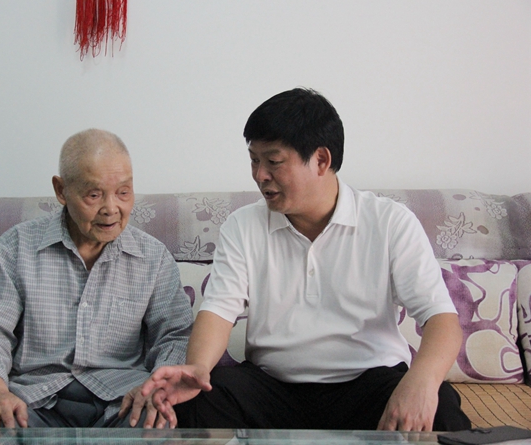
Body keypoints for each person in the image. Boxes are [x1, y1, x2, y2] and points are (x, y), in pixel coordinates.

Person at [140, 88, 471, 432]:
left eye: (273, 161)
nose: (260, 174)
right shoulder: (243, 225)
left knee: (440, 405)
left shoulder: (390, 222)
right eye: (254, 160)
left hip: (369, 385)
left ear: (321, 160)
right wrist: (197, 368)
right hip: (272, 389)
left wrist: (422, 382)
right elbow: (218, 313)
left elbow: (441, 319)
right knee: (195, 403)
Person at [0, 129, 193, 429]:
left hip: (122, 400)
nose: (111, 209)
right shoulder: (17, 246)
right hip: (33, 401)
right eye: (94, 195)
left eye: (123, 192)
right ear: (61, 190)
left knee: (156, 425)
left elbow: (175, 334)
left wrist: (158, 387)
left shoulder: (153, 256)